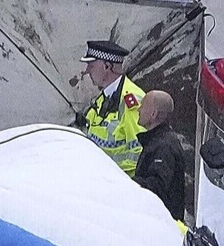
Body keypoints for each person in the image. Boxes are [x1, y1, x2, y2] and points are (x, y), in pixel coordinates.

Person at [76, 39, 144, 177]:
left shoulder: (130, 101)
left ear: (106, 66)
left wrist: (114, 177)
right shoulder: (103, 97)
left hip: (118, 184)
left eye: (91, 65)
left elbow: (139, 152)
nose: (87, 71)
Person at [134, 90, 189, 220]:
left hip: (161, 223)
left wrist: (128, 183)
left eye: (143, 105)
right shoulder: (158, 141)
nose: (138, 110)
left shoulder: (164, 146)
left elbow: (157, 186)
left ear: (154, 114)